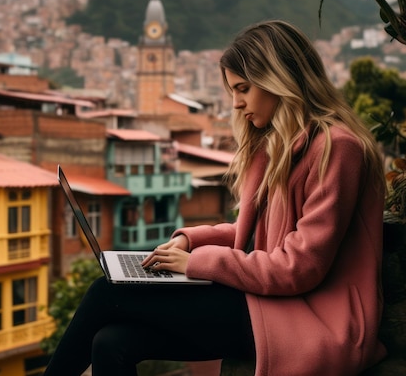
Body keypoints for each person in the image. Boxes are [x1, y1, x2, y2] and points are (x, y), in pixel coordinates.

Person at [44, 20, 387, 376]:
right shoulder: (276, 146)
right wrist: (189, 241)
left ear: (279, 80)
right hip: (268, 305)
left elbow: (299, 269)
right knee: (110, 342)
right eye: (232, 92)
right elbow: (252, 233)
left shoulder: (337, 148)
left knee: (106, 292)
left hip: (312, 317)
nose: (236, 104)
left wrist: (195, 263)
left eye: (243, 89)